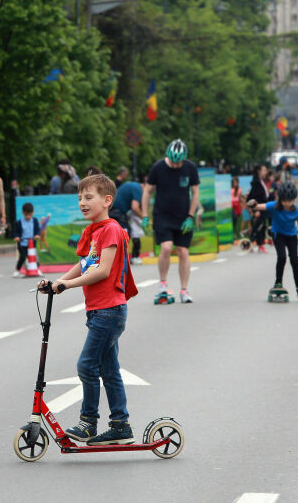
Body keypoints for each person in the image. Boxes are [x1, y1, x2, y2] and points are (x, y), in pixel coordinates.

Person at [48, 174, 138, 445]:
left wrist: (68, 285)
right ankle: (120, 426)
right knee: (109, 371)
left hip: (109, 311)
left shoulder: (110, 229)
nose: (82, 203)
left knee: (87, 365)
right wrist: (58, 282)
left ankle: (88, 423)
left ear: (107, 200)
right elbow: (86, 264)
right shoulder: (96, 231)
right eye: (79, 198)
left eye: (89, 197)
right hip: (101, 311)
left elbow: (103, 271)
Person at [141, 139, 200, 303]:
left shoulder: (190, 168)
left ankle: (184, 290)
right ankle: (163, 283)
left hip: (183, 217)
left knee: (183, 251)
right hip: (162, 215)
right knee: (166, 248)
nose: (175, 165)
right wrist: (145, 215)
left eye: (178, 161)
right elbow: (147, 192)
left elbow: (195, 193)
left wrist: (190, 216)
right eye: (173, 161)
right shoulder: (158, 167)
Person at [248, 181, 298, 298]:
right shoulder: (274, 206)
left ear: (294, 199)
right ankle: (278, 282)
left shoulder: (297, 211)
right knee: (282, 257)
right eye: (284, 200)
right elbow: (260, 206)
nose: (286, 203)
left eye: (289, 201)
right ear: (280, 199)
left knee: (294, 260)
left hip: (291, 236)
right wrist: (253, 203)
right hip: (278, 235)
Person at [246, 164, 270, 253]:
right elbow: (255, 198)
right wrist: (256, 210)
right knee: (258, 227)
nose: (265, 172)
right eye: (264, 170)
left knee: (261, 227)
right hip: (259, 208)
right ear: (259, 171)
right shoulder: (256, 183)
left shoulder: (261, 181)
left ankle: (259, 244)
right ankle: (253, 244)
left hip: (264, 208)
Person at [12, 202, 41, 278]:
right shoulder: (19, 222)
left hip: (32, 243)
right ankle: (17, 270)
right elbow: (16, 232)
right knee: (22, 257)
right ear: (23, 213)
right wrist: (17, 237)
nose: (28, 216)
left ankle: (37, 269)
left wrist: (37, 235)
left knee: (34, 257)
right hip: (22, 243)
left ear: (33, 213)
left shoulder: (34, 220)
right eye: (26, 215)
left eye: (30, 215)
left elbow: (37, 229)